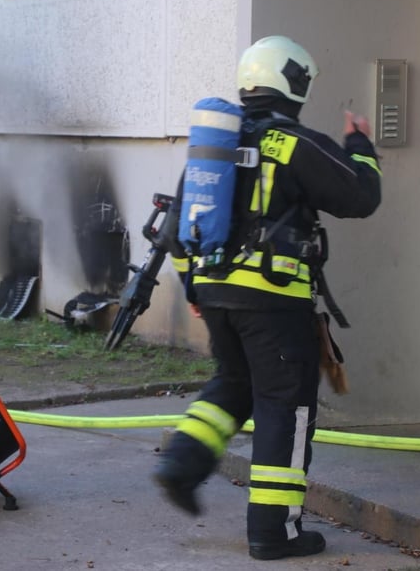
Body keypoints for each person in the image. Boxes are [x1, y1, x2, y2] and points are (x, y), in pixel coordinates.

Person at [152, 36, 382, 560]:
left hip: (214, 294)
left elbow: (177, 230)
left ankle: (181, 465)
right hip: (274, 303)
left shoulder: (216, 145)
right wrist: (361, 146)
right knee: (285, 406)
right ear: (293, 83)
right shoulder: (294, 143)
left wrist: (195, 287)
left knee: (235, 383)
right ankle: (274, 532)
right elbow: (361, 196)